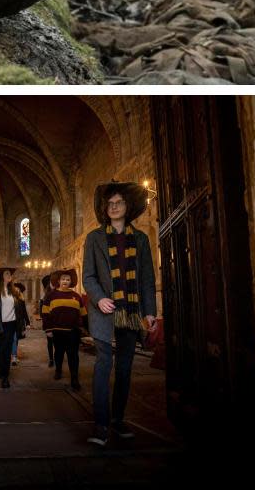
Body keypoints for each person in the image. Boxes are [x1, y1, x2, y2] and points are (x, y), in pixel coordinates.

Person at [83, 181, 157, 447]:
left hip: (131, 310)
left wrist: (150, 312)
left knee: (125, 369)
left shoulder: (141, 239)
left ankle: (118, 419)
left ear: (128, 207)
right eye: (110, 203)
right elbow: (88, 276)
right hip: (104, 311)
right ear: (106, 209)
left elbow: (147, 278)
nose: (113, 207)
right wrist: (100, 298)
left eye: (119, 203)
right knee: (104, 366)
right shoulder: (94, 238)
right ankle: (101, 424)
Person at [43, 267, 86, 391]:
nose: (65, 281)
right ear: (59, 281)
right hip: (57, 330)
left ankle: (74, 378)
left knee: (73, 356)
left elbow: (83, 313)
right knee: (59, 353)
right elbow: (45, 313)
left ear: (71, 281)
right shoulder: (51, 295)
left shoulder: (76, 296)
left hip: (73, 331)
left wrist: (84, 328)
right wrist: (48, 329)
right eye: (63, 279)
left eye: (68, 279)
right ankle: (58, 370)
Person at [0, 267, 28, 388]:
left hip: (11, 324)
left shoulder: (15, 291)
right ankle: (0, 367)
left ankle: (5, 376)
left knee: (6, 349)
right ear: (1, 277)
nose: (10, 275)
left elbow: (21, 309)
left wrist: (23, 324)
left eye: (10, 274)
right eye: (7, 273)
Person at [11, 281, 30, 365]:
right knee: (12, 339)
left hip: (18, 323)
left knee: (15, 339)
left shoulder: (21, 300)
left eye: (18, 289)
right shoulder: (9, 299)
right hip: (10, 322)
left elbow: (24, 312)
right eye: (15, 288)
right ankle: (13, 356)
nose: (17, 290)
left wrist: (28, 323)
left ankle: (13, 355)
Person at [40, 274, 57, 369]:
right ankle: (51, 359)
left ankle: (57, 358)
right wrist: (46, 327)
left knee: (58, 343)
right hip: (50, 322)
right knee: (50, 341)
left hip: (59, 322)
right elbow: (42, 313)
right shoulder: (45, 297)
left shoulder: (59, 293)